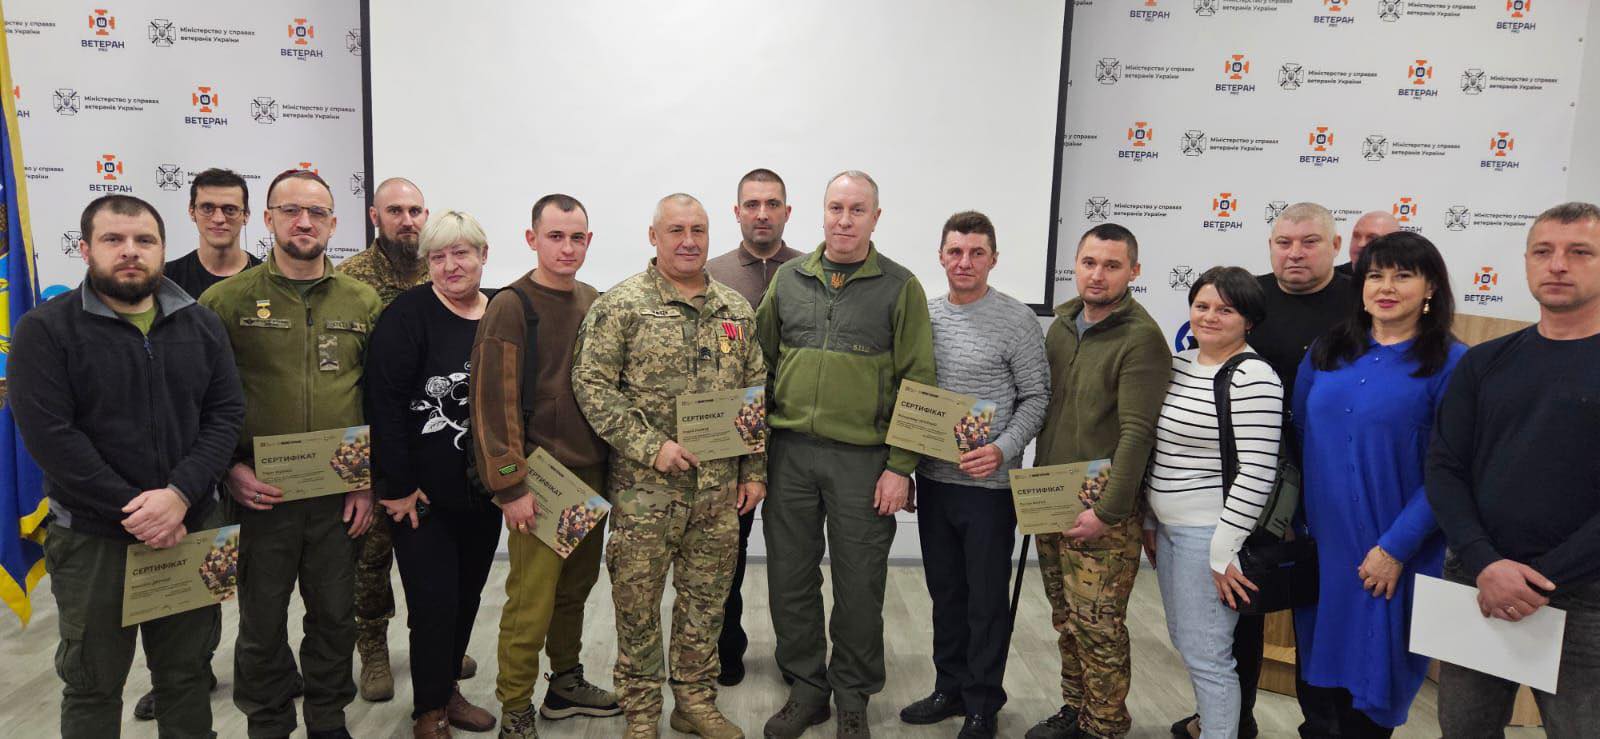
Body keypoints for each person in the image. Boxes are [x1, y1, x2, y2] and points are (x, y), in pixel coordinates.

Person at [10, 195, 244, 738]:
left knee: (186, 674)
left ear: (162, 248)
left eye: (145, 240)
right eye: (113, 240)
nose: (130, 251)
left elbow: (225, 414)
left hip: (189, 527)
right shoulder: (45, 330)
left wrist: (179, 496)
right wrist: (137, 511)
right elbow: (51, 437)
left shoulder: (201, 324)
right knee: (92, 683)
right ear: (85, 248)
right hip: (94, 539)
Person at [572, 193, 766, 739]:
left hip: (717, 492)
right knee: (636, 604)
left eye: (698, 230)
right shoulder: (621, 305)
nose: (688, 241)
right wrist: (650, 444)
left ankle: (694, 702)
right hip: (646, 491)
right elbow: (591, 385)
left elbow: (754, 389)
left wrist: (754, 469)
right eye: (676, 230)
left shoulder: (734, 309)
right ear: (653, 237)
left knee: (706, 603)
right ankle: (641, 712)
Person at [200, 169, 382, 739]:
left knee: (335, 619)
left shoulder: (363, 300)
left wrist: (366, 480)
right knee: (261, 625)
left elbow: (376, 396)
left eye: (317, 212)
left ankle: (328, 720)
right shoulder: (226, 301)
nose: (304, 222)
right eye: (291, 210)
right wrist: (229, 469)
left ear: (333, 223)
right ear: (268, 218)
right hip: (260, 496)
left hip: (338, 499)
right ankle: (268, 723)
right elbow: (201, 399)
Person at [755, 171, 936, 739]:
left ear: (875, 218)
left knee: (860, 584)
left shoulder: (900, 287)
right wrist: (752, 457)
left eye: (858, 210)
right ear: (822, 212)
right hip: (790, 454)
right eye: (836, 207)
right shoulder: (789, 280)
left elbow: (919, 381)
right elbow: (757, 368)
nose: (845, 219)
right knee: (789, 577)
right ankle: (807, 688)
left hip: (864, 462)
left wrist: (900, 467)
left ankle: (852, 693)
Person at [1171, 202, 1356, 739]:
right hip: (1249, 491)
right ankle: (1234, 718)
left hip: (1329, 485)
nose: (1294, 253)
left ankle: (1321, 727)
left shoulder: (1359, 304)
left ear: (1335, 246)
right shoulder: (1245, 293)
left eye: (1309, 242)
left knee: (1318, 612)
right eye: (1283, 242)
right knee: (1237, 613)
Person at [1427, 201, 1600, 737]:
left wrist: (1542, 579)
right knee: (1464, 730)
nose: (1558, 265)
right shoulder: (1485, 362)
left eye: (1580, 252)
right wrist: (1485, 563)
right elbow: (1444, 467)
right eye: (1543, 251)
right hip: (1478, 580)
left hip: (1586, 596)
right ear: (1526, 261)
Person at [1292, 232, 1465, 737]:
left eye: (1403, 276)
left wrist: (1395, 549)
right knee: (1318, 697)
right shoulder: (1328, 349)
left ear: (1430, 288)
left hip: (1392, 554)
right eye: (1375, 275)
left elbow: (1451, 468)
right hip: (1324, 548)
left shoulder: (1452, 362)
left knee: (1367, 703)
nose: (1386, 287)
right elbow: (1300, 435)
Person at [469, 193, 622, 738]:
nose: (567, 247)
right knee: (530, 602)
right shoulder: (511, 306)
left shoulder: (594, 301)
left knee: (573, 592)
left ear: (589, 241)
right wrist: (511, 487)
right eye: (555, 236)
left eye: (577, 237)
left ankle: (565, 684)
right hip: (540, 480)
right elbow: (492, 403)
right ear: (532, 239)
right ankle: (516, 706)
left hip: (589, 474)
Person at [899, 211, 1048, 739]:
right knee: (945, 594)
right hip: (935, 483)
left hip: (989, 489)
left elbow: (1037, 397)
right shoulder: (923, 315)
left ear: (993, 259)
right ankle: (950, 688)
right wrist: (907, 469)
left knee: (986, 600)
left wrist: (1003, 449)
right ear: (941, 256)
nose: (964, 262)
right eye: (955, 252)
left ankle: (983, 702)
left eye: (976, 253)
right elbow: (910, 396)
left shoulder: (1016, 320)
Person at [1027, 223, 1169, 739]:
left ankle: (1105, 725)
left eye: (1112, 265)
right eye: (1089, 262)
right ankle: (1076, 709)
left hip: (1100, 509)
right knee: (1066, 619)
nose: (1098, 275)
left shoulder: (1141, 338)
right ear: (1076, 264)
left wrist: (1107, 512)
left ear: (1134, 271)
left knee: (1099, 627)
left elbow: (1137, 434)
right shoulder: (1062, 325)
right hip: (1051, 496)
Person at [365, 211, 501, 737]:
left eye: (460, 253)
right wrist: (398, 487)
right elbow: (384, 404)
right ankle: (429, 711)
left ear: (483, 255)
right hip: (422, 497)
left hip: (484, 492)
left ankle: (447, 691)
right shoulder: (407, 315)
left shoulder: (501, 312)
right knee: (433, 603)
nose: (450, 266)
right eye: (438, 257)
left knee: (468, 598)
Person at [1143, 267, 1282, 739]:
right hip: (1170, 531)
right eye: (1202, 306)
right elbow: (1159, 450)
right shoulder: (1179, 364)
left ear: (1249, 320)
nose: (1210, 316)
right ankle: (1208, 725)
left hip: (1211, 538)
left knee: (1209, 655)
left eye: (1226, 309)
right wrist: (1150, 520)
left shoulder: (1254, 377)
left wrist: (1223, 553)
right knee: (1189, 642)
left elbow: (1258, 472)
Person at [337, 176, 439, 702]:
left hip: (433, 442)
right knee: (371, 560)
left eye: (416, 210)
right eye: (395, 211)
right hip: (373, 445)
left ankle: (435, 644)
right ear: (374, 216)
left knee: (431, 557)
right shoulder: (350, 281)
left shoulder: (443, 269)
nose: (408, 220)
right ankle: (373, 648)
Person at [704, 167, 803, 687]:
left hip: (794, 436)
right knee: (728, 553)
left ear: (788, 211)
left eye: (772, 204)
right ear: (737, 211)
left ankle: (799, 653)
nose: (762, 214)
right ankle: (727, 648)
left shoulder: (811, 272)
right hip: (729, 439)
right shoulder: (711, 274)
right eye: (752, 204)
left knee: (795, 556)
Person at [164, 167, 262, 299]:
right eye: (207, 208)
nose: (218, 219)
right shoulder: (167, 280)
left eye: (230, 209)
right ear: (192, 212)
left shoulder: (267, 281)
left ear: (246, 215)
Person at [1333, 211, 1399, 278]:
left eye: (1372, 237)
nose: (1361, 244)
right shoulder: (1331, 278)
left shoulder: (1403, 279)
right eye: (1356, 236)